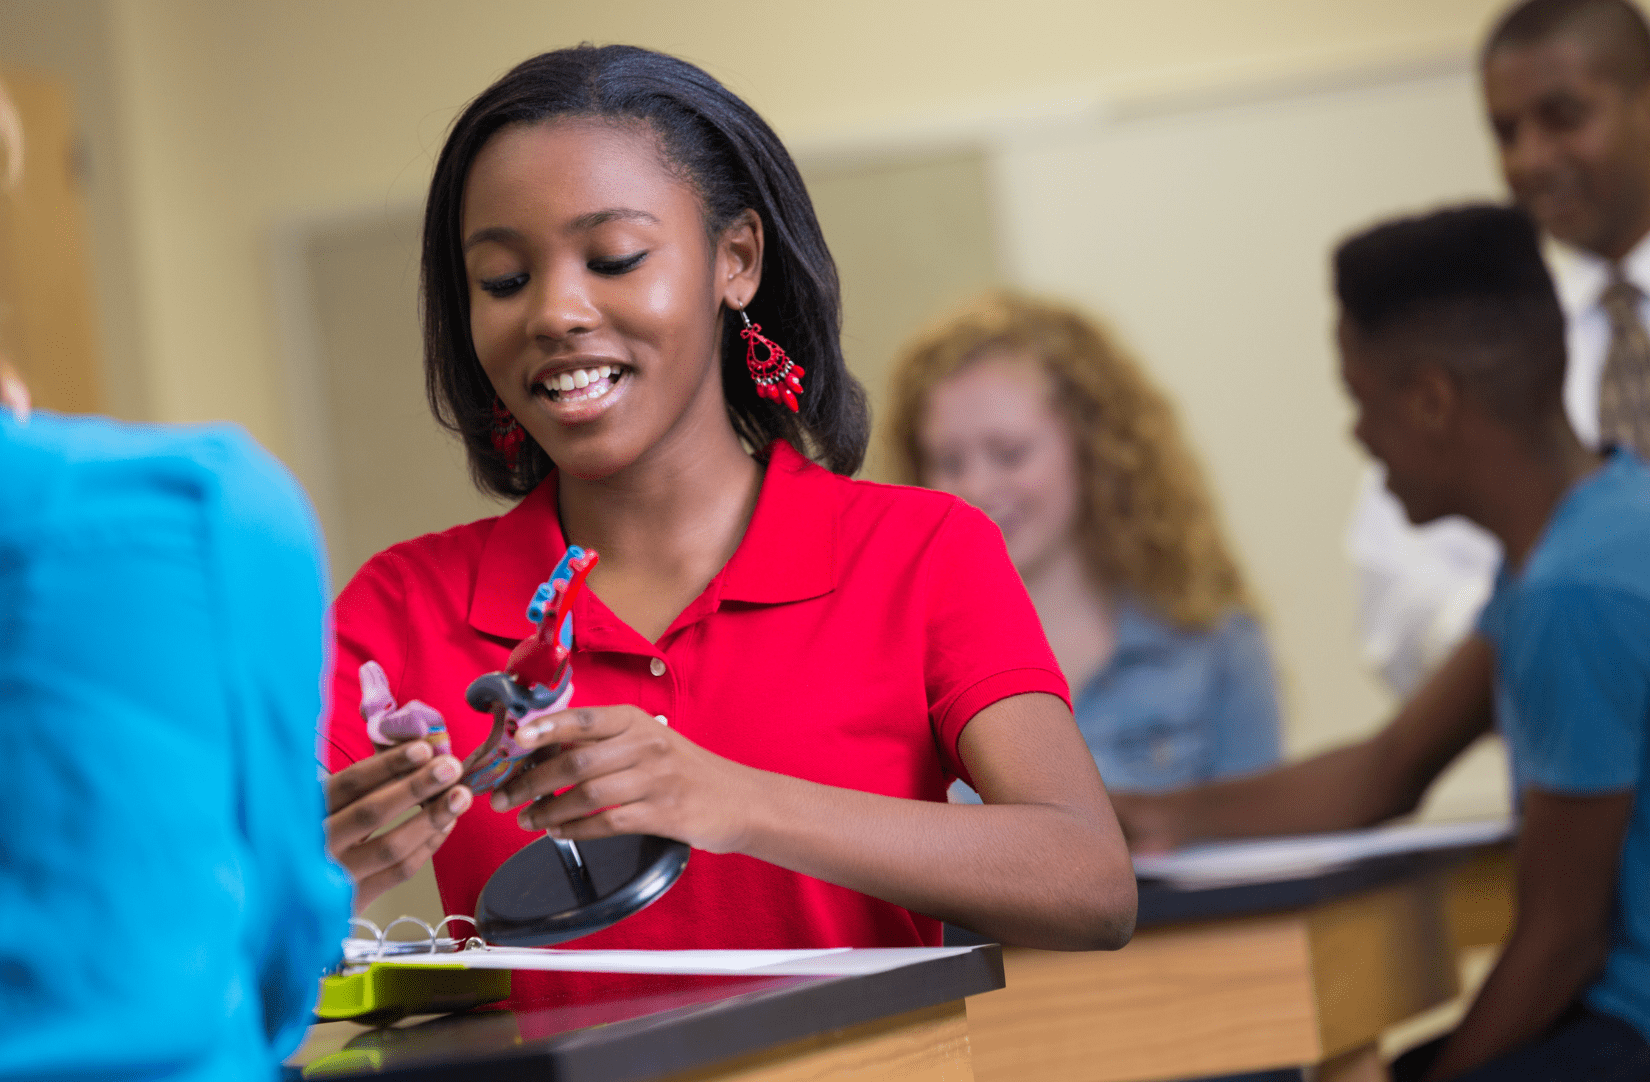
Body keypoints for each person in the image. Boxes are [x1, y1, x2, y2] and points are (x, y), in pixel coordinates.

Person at [319, 44, 1135, 1008]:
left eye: (614, 258)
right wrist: (317, 878)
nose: (555, 311)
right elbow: (208, 916)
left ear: (735, 260)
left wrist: (729, 799)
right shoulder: (402, 605)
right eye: (502, 279)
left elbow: (1089, 883)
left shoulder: (921, 552)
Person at [1118, 204, 1650, 1081]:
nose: (1357, 436)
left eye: (1360, 402)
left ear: (1432, 401)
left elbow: (1564, 940)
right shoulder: (1587, 531)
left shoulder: (1574, 590)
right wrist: (1155, 816)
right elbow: (1388, 769)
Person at [1350, 0, 1650, 697]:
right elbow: (1396, 594)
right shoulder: (1488, 332)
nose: (1530, 160)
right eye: (1505, 132)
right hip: (1572, 733)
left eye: (1563, 118)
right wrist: (1565, 633)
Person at [886, 292, 1284, 796]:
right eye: (948, 462)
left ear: (1094, 452)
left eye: (1009, 454)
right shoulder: (896, 666)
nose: (976, 489)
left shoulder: (1215, 645)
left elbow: (1258, 854)